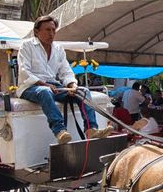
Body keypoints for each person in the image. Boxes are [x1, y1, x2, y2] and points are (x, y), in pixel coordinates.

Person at [16, 15, 112, 144]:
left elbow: (66, 71)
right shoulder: (26, 46)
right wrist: (44, 84)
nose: (52, 33)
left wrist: (72, 85)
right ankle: (60, 131)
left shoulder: (58, 49)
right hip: (30, 87)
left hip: (54, 86)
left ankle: (91, 129)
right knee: (45, 91)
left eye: (53, 30)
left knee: (82, 91)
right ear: (37, 32)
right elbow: (24, 71)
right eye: (48, 30)